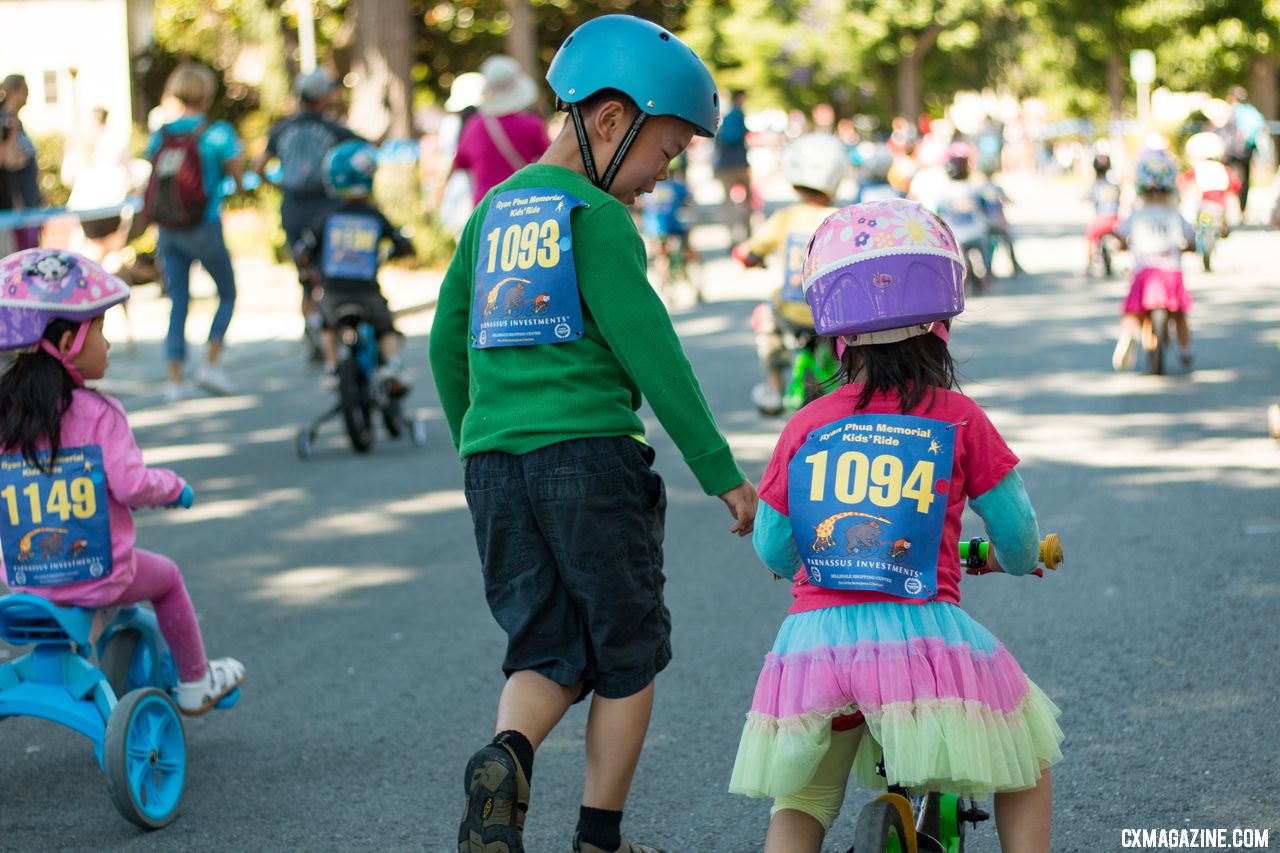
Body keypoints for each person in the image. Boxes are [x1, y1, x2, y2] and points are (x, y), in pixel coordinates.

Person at [429, 15, 758, 853]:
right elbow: (655, 355)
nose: (659, 176)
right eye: (665, 152)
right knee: (628, 650)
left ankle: (506, 755)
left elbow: (444, 339)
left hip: (496, 465)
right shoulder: (599, 221)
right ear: (610, 122)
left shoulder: (491, 213)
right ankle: (598, 838)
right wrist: (723, 473)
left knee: (541, 645)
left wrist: (480, 430)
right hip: (590, 462)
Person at [728, 198, 1063, 853]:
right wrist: (1013, 560)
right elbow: (1020, 537)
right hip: (921, 640)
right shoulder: (959, 416)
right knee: (1027, 759)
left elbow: (773, 542)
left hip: (814, 646)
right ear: (940, 327)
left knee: (804, 798)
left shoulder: (805, 423)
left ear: (837, 336)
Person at [0, 249, 245, 713]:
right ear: (69, 340)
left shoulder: (6, 419)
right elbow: (132, 485)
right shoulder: (100, 414)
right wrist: (174, 486)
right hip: (98, 577)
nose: (108, 345)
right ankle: (195, 681)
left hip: (25, 580)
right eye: (102, 331)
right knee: (167, 579)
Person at [144, 62, 244, 402]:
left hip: (169, 228)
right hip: (204, 224)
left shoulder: (162, 133)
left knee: (179, 302)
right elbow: (238, 175)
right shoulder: (217, 133)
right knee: (227, 292)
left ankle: (175, 379)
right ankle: (211, 362)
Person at [732, 133, 846, 415]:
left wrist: (749, 257)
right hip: (835, 319)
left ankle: (773, 387)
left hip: (791, 314)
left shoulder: (785, 218)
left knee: (765, 319)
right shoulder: (842, 219)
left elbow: (749, 250)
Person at [255, 69, 359, 366]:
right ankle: (332, 331)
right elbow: (363, 148)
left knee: (305, 276)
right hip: (327, 208)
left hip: (294, 208)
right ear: (323, 96)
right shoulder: (334, 130)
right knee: (331, 271)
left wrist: (278, 184)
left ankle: (313, 328)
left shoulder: (281, 129)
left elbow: (259, 164)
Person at [293, 140, 414, 392]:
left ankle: (331, 367)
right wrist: (402, 248)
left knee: (327, 325)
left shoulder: (328, 215)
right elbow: (401, 243)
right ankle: (392, 364)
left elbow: (303, 250)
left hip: (333, 292)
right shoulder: (373, 215)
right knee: (386, 327)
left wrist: (307, 273)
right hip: (367, 291)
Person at [1112, 150, 1196, 372]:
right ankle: (1185, 348)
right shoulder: (1174, 213)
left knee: (1133, 308)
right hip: (1170, 272)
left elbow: (1119, 233)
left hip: (1144, 271)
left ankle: (1127, 334)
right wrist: (1191, 246)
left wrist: (1120, 244)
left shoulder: (1137, 213)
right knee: (1179, 313)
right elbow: (1190, 236)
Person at [448, 55, 550, 206]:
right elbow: (550, 158)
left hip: (485, 206)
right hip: (523, 204)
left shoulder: (475, 126)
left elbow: (461, 162)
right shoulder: (531, 125)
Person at [639, 153, 699, 302]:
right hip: (674, 227)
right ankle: (695, 285)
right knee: (688, 250)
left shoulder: (647, 187)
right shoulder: (676, 185)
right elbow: (688, 199)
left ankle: (666, 288)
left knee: (661, 258)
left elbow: (640, 206)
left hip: (653, 229)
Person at [0, 75, 43, 251]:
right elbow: (4, 160)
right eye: (25, 90)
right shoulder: (6, 123)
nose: (28, 95)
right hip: (14, 206)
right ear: (15, 92)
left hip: (27, 201)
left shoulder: (16, 122)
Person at [714, 89, 753, 244]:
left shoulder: (727, 117)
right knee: (748, 201)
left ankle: (731, 237)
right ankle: (747, 234)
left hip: (725, 165)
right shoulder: (739, 115)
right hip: (740, 164)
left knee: (728, 203)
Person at [1222, 87, 1266, 218]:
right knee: (1245, 180)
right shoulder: (1252, 112)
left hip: (1233, 151)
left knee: (1228, 178)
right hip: (1247, 151)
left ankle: (1227, 207)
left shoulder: (1234, 111)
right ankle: (1242, 209)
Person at [1085, 152, 1121, 275]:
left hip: (1101, 220)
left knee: (1089, 237)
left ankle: (1089, 265)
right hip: (1115, 219)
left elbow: (1089, 197)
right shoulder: (1114, 185)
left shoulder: (1095, 185)